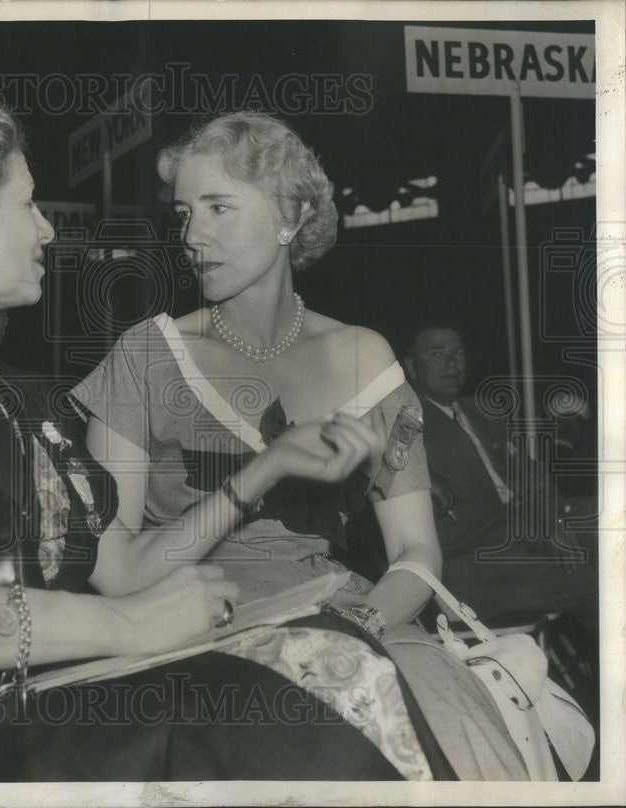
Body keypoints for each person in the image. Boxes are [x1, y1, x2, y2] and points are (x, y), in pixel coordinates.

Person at [0, 93, 453, 782]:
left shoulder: (15, 392)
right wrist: (126, 626)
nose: (48, 229)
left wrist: (250, 489)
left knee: (323, 688)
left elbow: (115, 568)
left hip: (44, 695)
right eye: (27, 205)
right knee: (293, 717)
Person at [72, 112, 534, 779]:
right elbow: (112, 572)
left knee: (461, 739)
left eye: (219, 208)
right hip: (193, 628)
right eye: (183, 214)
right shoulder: (144, 357)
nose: (193, 236)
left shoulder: (361, 356)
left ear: (288, 218)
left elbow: (415, 550)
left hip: (351, 615)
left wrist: (366, 623)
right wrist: (266, 468)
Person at [402, 325, 598, 625]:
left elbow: (530, 474)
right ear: (412, 368)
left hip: (529, 527)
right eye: (436, 353)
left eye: (458, 353)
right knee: (600, 581)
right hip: (479, 565)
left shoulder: (482, 412)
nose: (451, 362)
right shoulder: (406, 425)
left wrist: (552, 523)